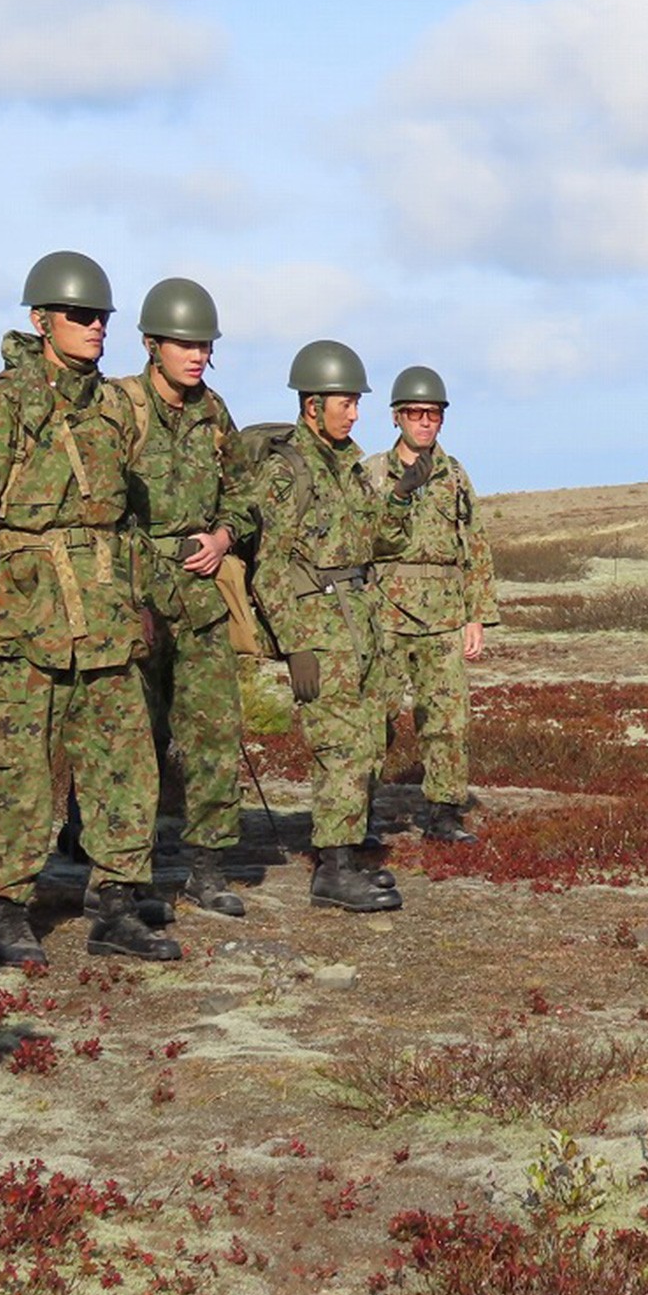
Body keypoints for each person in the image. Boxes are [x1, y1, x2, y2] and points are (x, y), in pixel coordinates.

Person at [0, 251, 175, 964]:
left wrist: (142, 600)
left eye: (102, 316)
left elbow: (127, 518)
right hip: (27, 620)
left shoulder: (114, 409)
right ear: (41, 320)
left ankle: (114, 902)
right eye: (82, 315)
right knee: (19, 769)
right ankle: (8, 909)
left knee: (126, 765)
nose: (96, 327)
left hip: (105, 617)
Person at [115, 277, 254, 919]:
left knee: (214, 733)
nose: (196, 355)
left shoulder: (215, 414)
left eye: (204, 345)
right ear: (151, 345)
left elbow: (246, 494)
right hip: (136, 596)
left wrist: (225, 535)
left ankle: (207, 864)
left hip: (200, 598)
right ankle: (122, 867)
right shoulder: (119, 408)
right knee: (130, 737)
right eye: (184, 344)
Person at [247, 340, 402, 913]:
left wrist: (402, 499)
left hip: (360, 620)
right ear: (313, 405)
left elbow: (377, 540)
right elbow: (268, 565)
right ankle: (333, 871)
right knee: (339, 745)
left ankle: (350, 849)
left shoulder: (349, 467)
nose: (355, 413)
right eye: (346, 403)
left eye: (357, 403)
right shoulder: (285, 471)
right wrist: (295, 647)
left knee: (373, 737)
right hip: (317, 625)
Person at [365, 365, 497, 844]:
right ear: (397, 416)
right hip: (384, 612)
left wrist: (476, 614)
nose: (425, 422)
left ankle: (443, 812)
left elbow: (475, 545)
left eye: (433, 414)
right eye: (416, 413)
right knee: (374, 716)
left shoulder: (454, 475)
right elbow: (358, 542)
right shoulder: (371, 474)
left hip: (442, 614)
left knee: (447, 719)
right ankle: (359, 809)